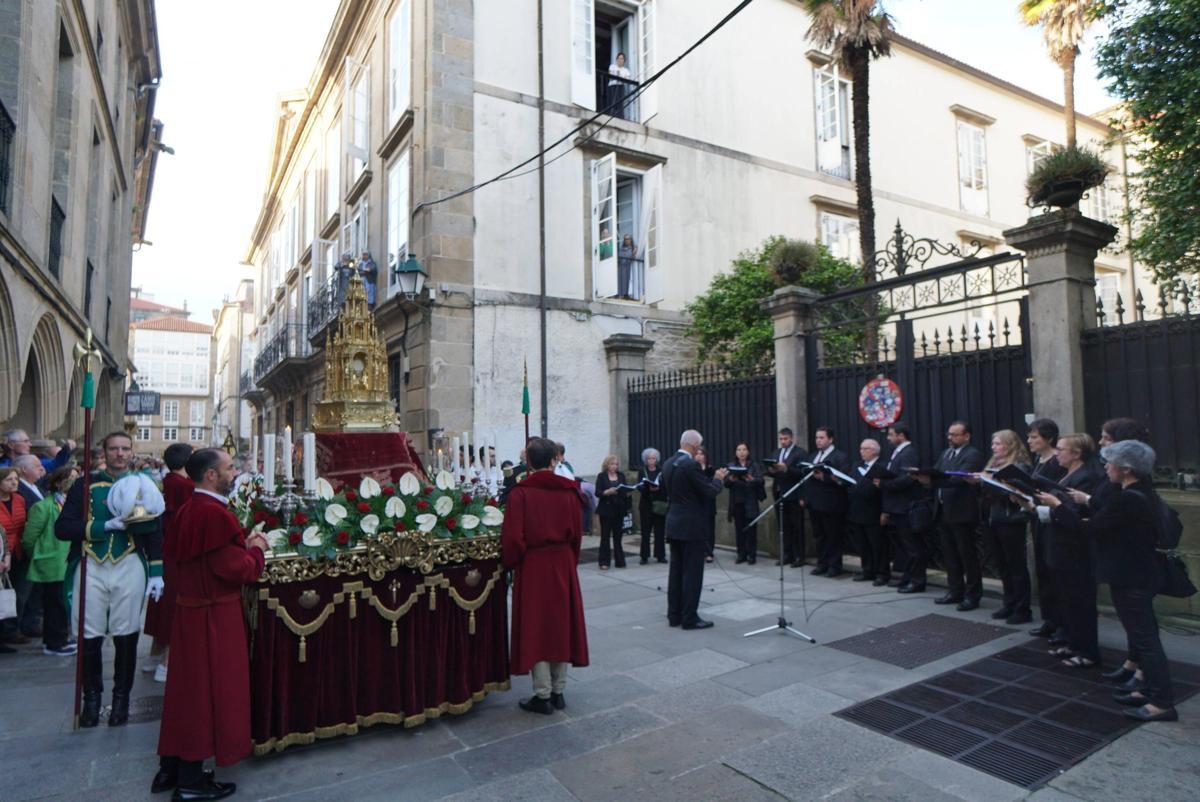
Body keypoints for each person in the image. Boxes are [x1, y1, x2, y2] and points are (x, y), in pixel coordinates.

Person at [154, 448, 267, 800]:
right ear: (211, 475)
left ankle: (172, 768)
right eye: (230, 468)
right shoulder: (212, 514)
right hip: (212, 617)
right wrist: (257, 548)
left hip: (191, 613)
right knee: (206, 695)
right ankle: (190, 782)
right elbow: (238, 569)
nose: (235, 473)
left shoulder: (192, 508)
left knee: (185, 694)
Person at [1036, 440, 1177, 722]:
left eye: (1110, 463)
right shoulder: (1138, 491)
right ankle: (1147, 689)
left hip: (1131, 576)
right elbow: (1108, 513)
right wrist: (1086, 500)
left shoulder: (1127, 498)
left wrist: (1057, 506)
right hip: (1138, 574)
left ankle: (1162, 702)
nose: (1106, 467)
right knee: (1143, 637)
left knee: (1145, 640)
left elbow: (1090, 528)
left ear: (1125, 469)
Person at [56, 431, 165, 727]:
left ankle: (121, 701)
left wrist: (157, 571)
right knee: (88, 636)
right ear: (104, 452)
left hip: (129, 563)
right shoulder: (84, 485)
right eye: (114, 448)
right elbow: (63, 528)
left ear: (132, 452)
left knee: (127, 634)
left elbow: (156, 531)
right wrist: (105, 525)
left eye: (125, 449)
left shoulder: (146, 485)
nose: (120, 454)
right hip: (90, 564)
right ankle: (91, 699)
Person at [500, 437, 589, 715]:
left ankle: (543, 693)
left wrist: (511, 564)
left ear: (528, 462)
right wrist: (569, 561)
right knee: (560, 622)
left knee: (536, 625)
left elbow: (513, 539)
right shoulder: (570, 492)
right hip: (562, 561)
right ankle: (558, 689)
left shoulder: (520, 493)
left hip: (534, 564)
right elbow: (578, 533)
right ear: (554, 461)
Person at [1027, 434, 1105, 668]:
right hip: (1058, 546)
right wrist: (1032, 507)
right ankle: (1072, 642)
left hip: (1074, 550)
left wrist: (1053, 505)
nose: (1057, 453)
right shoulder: (1066, 474)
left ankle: (1087, 650)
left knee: (1079, 602)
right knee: (1066, 600)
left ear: (1076, 453)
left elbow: (1073, 517)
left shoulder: (1086, 478)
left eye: (1061, 449)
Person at [917, 421, 986, 610]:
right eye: (949, 434)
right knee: (950, 555)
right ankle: (955, 590)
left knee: (967, 555)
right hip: (943, 511)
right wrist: (926, 478)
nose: (950, 438)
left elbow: (957, 479)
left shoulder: (972, 454)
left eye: (955, 435)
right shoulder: (946, 453)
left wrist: (934, 480)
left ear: (966, 436)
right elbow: (938, 472)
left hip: (962, 512)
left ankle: (973, 595)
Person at [662, 430, 727, 630]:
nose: (700, 449)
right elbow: (708, 492)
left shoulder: (668, 463)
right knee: (692, 573)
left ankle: (674, 615)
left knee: (676, 571)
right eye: (699, 445)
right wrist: (718, 479)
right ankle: (689, 617)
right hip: (691, 526)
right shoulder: (690, 465)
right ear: (693, 446)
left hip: (674, 522)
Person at [143, 443, 195, 683]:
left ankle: (155, 654)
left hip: (163, 550)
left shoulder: (165, 482)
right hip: (178, 552)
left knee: (162, 603)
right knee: (174, 604)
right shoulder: (184, 486)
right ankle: (166, 661)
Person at [977, 430, 1033, 625]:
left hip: (1012, 519)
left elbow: (1016, 493)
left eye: (998, 444)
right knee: (1002, 564)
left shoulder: (1019, 465)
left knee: (1016, 565)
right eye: (993, 444)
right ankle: (1009, 602)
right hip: (995, 517)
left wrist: (992, 482)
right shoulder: (993, 464)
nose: (994, 447)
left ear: (1010, 445)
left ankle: (1022, 608)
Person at [20, 467, 75, 656]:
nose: (74, 482)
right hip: (51, 561)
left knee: (61, 602)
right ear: (58, 483)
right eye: (70, 478)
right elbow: (29, 537)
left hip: (67, 560)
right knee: (54, 602)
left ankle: (59, 638)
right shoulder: (44, 506)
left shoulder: (73, 504)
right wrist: (39, 553)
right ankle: (54, 643)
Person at [1026, 418, 1065, 639]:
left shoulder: (1056, 463)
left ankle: (1061, 622)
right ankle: (1049, 619)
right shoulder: (1038, 460)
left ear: (1048, 438)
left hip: (1051, 520)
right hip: (1037, 519)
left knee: (1053, 572)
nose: (1029, 441)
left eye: (1034, 437)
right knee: (1042, 571)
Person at [878, 424, 924, 592]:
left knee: (912, 547)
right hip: (896, 507)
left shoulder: (909, 453)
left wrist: (884, 483)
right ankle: (907, 577)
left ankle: (917, 580)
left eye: (891, 435)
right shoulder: (898, 452)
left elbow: (908, 478)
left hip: (905, 507)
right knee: (904, 547)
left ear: (901, 436)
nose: (888, 438)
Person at [805, 427, 852, 577]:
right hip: (815, 503)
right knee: (819, 535)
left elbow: (844, 480)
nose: (818, 440)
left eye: (821, 438)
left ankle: (834, 566)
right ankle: (822, 563)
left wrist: (823, 478)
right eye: (816, 438)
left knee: (833, 536)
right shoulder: (812, 456)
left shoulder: (840, 456)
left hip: (833, 503)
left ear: (830, 439)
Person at [12, 454, 46, 637]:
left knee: (34, 590)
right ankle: (14, 627)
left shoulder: (36, 487)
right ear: (24, 469)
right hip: (24, 547)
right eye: (37, 465)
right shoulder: (19, 490)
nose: (41, 468)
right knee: (22, 591)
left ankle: (30, 623)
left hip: (40, 547)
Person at [766, 428, 808, 567]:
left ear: (791, 438)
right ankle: (787, 554)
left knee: (796, 526)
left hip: (794, 494)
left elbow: (802, 473)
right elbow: (773, 472)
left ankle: (799, 556)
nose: (783, 441)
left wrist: (786, 469)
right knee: (783, 526)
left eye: (785, 439)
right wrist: (771, 470)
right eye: (781, 439)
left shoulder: (800, 453)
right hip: (779, 493)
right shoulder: (777, 453)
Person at [847, 439, 886, 584]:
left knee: (877, 544)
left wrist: (884, 511)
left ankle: (882, 573)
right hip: (857, 509)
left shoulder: (881, 466)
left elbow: (884, 491)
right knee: (862, 544)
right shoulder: (857, 465)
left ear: (874, 451)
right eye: (861, 448)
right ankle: (867, 570)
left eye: (865, 449)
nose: (861, 451)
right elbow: (850, 481)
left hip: (873, 511)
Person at [0, 467, 29, 644]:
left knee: (16, 594)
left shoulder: (19, 499)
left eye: (16, 479)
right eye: (9, 479)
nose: (14, 482)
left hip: (18, 552)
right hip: (1, 552)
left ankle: (11, 630)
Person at [724, 442, 764, 565]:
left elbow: (760, 481)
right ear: (736, 452)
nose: (741, 452)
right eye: (739, 450)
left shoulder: (754, 465)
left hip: (750, 500)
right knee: (739, 529)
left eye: (744, 449)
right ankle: (741, 554)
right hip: (737, 501)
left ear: (748, 452)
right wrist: (731, 479)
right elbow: (726, 483)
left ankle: (752, 554)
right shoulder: (731, 465)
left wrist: (752, 480)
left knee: (751, 529)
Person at [594, 455, 630, 570]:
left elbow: (625, 490)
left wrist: (627, 492)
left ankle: (620, 561)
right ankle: (604, 561)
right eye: (612, 464)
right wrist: (607, 492)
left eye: (616, 464)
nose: (614, 466)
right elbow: (597, 492)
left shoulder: (621, 475)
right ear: (607, 465)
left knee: (618, 536)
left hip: (618, 509)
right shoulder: (601, 476)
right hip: (606, 510)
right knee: (605, 537)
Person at [637, 448, 667, 565]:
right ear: (645, 460)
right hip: (646, 504)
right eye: (649, 458)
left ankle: (660, 555)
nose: (651, 461)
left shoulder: (661, 471)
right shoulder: (642, 471)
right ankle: (644, 556)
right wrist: (647, 488)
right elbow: (639, 486)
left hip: (659, 504)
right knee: (645, 532)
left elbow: (665, 487)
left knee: (660, 531)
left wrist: (658, 489)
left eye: (654, 458)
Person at [1, 429, 76, 472]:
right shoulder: (3, 467)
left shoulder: (34, 460)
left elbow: (55, 463)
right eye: (26, 441)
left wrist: (66, 449)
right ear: (11, 445)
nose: (30, 444)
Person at [695, 446, 719, 562]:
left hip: (709, 503)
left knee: (709, 529)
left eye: (701, 454)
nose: (699, 456)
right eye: (697, 454)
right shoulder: (693, 469)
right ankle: (700, 551)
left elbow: (712, 486)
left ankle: (709, 552)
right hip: (697, 504)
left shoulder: (711, 470)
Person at [607, 51, 633, 118]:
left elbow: (627, 79)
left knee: (619, 102)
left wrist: (619, 76)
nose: (620, 60)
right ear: (616, 59)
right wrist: (619, 76)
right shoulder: (612, 66)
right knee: (612, 101)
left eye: (622, 59)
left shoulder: (626, 70)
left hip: (620, 86)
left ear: (624, 61)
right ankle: (611, 114)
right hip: (612, 86)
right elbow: (611, 75)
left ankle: (620, 116)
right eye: (619, 58)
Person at [617, 234, 637, 300]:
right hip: (622, 267)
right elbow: (619, 257)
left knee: (629, 280)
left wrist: (633, 254)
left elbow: (633, 258)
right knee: (622, 281)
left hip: (629, 267)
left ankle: (629, 294)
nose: (626, 240)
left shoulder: (633, 249)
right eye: (625, 239)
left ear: (631, 240)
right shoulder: (621, 248)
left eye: (628, 239)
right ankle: (621, 294)